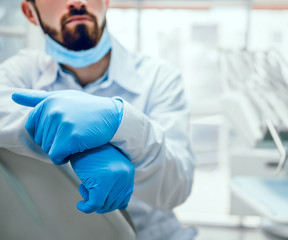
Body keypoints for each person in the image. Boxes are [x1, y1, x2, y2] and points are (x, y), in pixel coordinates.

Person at [0, 0, 196, 239]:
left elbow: (177, 188)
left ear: (106, 2)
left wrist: (122, 123)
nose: (76, 2)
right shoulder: (22, 72)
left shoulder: (159, 78)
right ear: (30, 13)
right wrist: (81, 144)